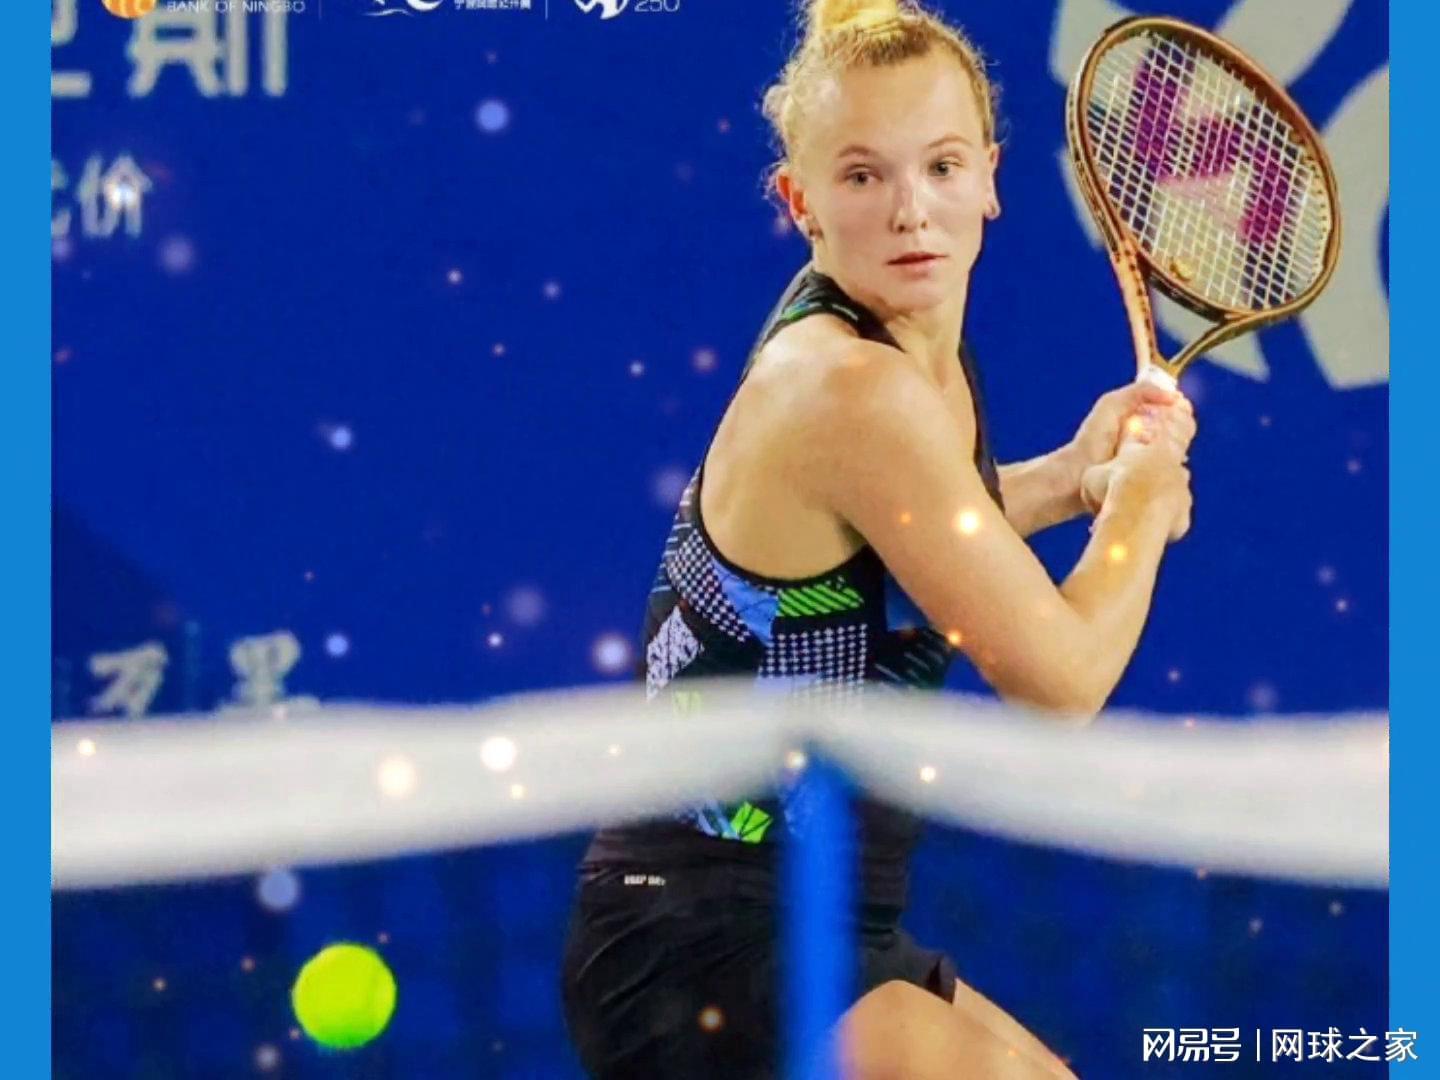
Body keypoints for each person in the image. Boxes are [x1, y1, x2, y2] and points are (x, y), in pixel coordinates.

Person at [560, 0, 1196, 1076]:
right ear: (800, 202)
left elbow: (899, 546)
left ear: (990, 176)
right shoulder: (849, 386)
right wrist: (1139, 506)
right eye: (863, 176)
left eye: (942, 166)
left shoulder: (904, 348)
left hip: (832, 915)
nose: (912, 211)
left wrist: (1068, 479)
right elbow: (1061, 682)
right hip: (701, 943)